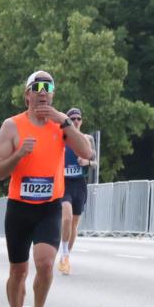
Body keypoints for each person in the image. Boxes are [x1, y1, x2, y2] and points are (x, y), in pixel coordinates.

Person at [0, 71, 93, 307]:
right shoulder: (12, 126)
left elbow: (87, 152)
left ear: (52, 94)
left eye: (47, 87)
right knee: (18, 271)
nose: (42, 92)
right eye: (36, 87)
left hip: (49, 206)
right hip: (20, 208)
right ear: (27, 95)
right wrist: (19, 155)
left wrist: (65, 122)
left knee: (46, 263)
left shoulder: (60, 125)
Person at [57, 108, 94, 276]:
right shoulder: (61, 138)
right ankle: (63, 251)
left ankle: (66, 257)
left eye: (79, 118)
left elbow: (95, 162)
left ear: (82, 121)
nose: (76, 121)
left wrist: (86, 162)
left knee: (74, 224)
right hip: (64, 183)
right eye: (72, 118)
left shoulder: (87, 139)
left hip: (79, 184)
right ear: (68, 121)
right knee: (66, 218)